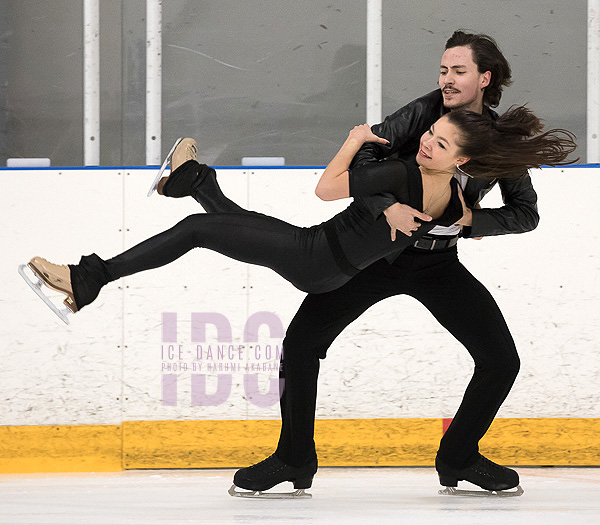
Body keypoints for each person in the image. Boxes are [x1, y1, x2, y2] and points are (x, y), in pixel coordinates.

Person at [229, 31, 577, 497]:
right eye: (443, 70)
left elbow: (525, 213)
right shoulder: (422, 113)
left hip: (437, 264)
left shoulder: (494, 142)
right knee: (301, 342)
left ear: (484, 78)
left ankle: (459, 456)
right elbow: (369, 149)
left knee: (500, 360)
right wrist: (384, 206)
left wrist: (469, 220)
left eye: (459, 71)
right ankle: (293, 458)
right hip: (375, 254)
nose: (447, 80)